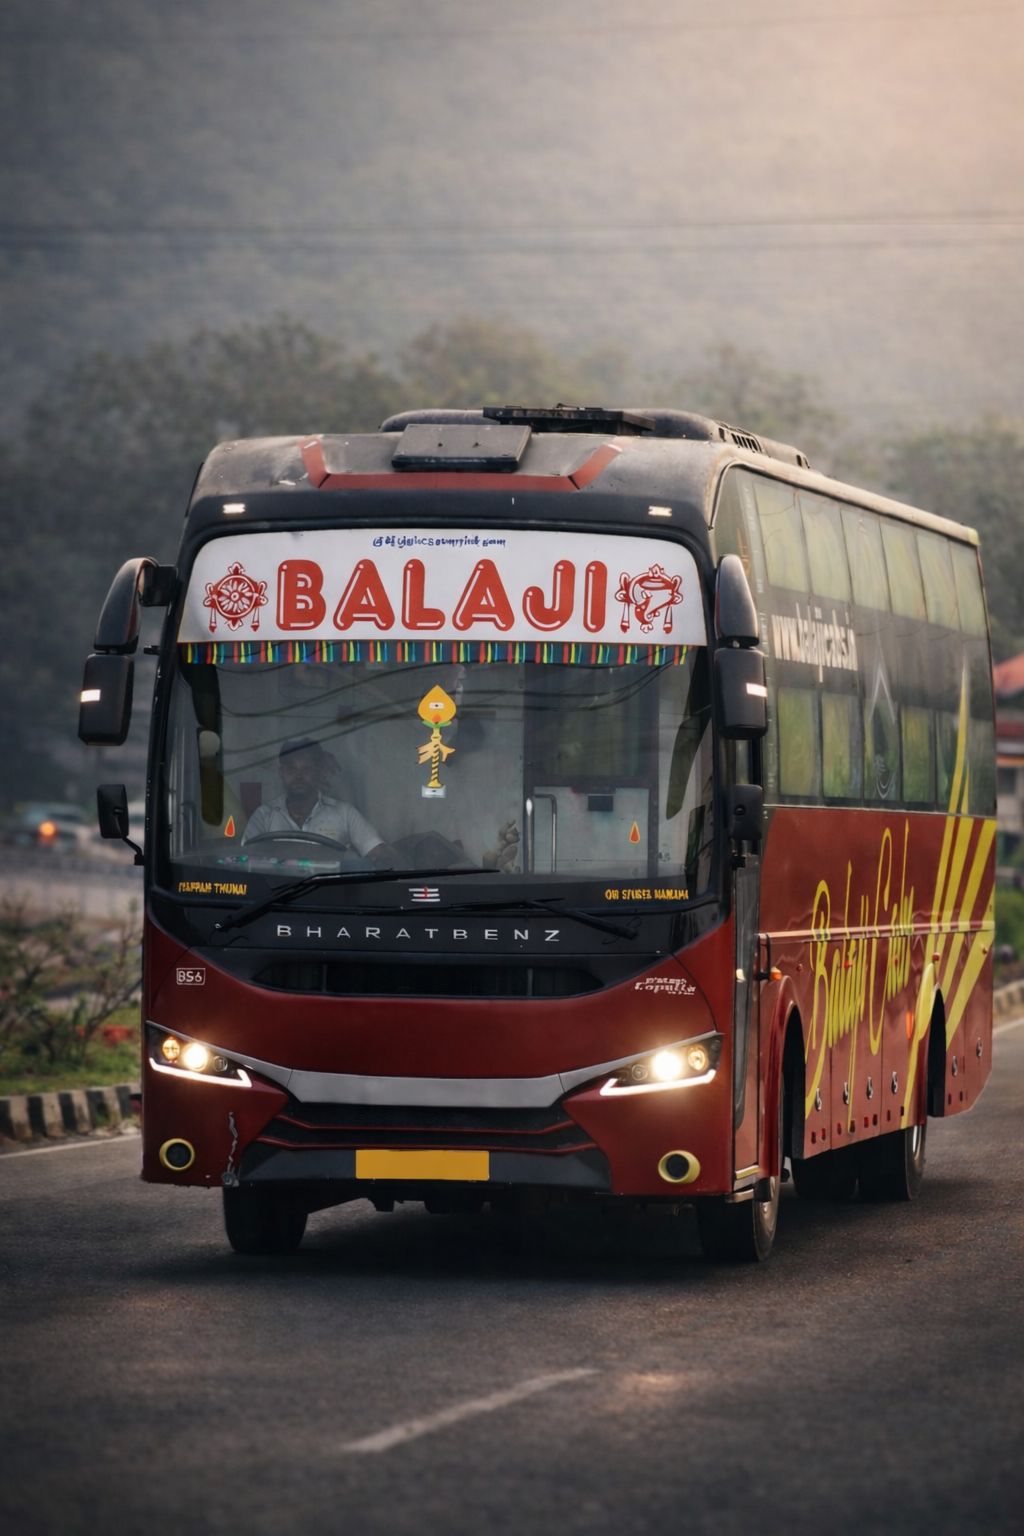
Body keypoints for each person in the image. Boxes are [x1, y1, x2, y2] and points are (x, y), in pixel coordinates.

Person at [242, 738, 392, 862]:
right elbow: (243, 858)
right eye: (291, 769)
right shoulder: (264, 816)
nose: (299, 776)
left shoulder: (345, 813)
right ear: (281, 772)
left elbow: (379, 854)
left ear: (319, 772)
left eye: (306, 769)